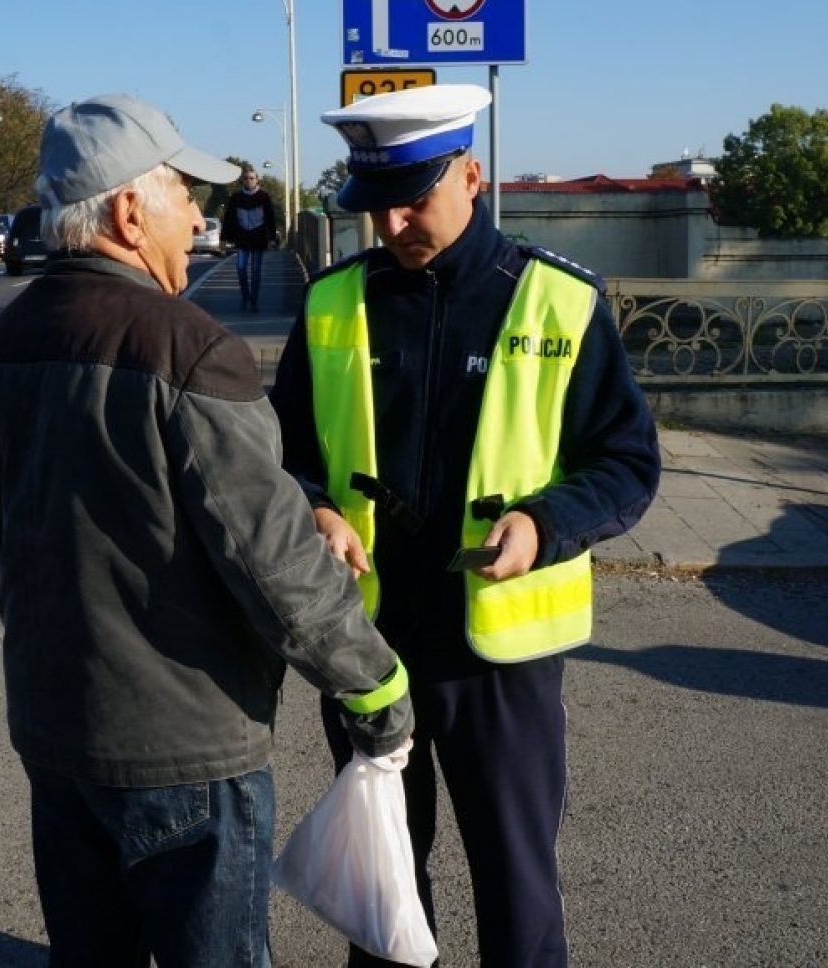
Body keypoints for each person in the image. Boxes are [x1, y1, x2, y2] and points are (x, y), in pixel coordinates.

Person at [0, 93, 414, 968]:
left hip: (56, 735)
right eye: (181, 193)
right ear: (130, 210)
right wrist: (374, 687)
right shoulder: (189, 347)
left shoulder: (3, 342)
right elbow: (273, 562)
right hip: (189, 749)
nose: (199, 215)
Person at [268, 84, 661, 967]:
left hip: (500, 660)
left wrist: (543, 522)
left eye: (416, 198)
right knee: (383, 889)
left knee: (518, 891)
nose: (395, 223)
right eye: (377, 207)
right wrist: (319, 505)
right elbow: (280, 456)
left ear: (473, 174)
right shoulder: (334, 302)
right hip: (365, 645)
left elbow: (628, 462)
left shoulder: (560, 300)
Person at [219, 165, 278, 311]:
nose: (248, 181)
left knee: (256, 270)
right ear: (242, 181)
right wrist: (223, 238)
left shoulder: (264, 197)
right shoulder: (236, 197)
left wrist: (272, 237)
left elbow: (270, 218)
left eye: (251, 178)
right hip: (242, 239)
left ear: (257, 180)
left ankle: (254, 299)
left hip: (258, 239)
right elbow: (228, 218)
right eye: (245, 178)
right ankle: (245, 295)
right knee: (240, 268)